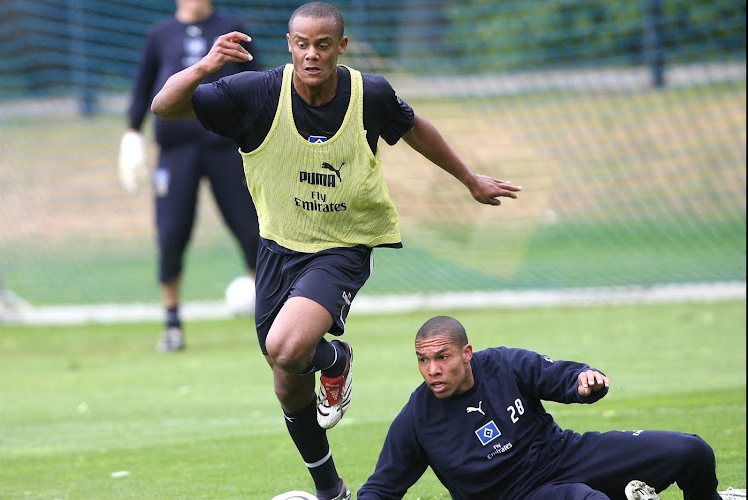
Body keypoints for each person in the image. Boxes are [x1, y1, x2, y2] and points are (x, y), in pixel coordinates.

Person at [150, 2, 521, 499]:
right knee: (286, 380)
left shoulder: (370, 94)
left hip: (343, 247)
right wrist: (204, 67)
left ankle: (332, 358)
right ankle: (331, 489)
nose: (311, 55)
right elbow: (165, 107)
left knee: (287, 347)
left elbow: (415, 129)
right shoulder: (255, 92)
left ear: (340, 47)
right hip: (278, 248)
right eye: (301, 44)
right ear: (289, 44)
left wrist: (469, 179)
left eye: (323, 45)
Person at [357, 315, 734, 500]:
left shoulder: (503, 364)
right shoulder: (417, 418)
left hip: (566, 456)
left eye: (442, 357)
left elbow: (564, 378)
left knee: (692, 450)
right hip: (518, 496)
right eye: (423, 360)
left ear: (466, 353)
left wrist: (587, 381)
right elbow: (382, 487)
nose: (432, 370)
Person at [118, 0, 261, 353]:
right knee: (171, 234)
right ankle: (172, 324)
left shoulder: (233, 27)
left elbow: (258, 84)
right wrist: (132, 133)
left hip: (225, 147)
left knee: (252, 230)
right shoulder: (160, 34)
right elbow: (143, 87)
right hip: (176, 150)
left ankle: (270, 317)